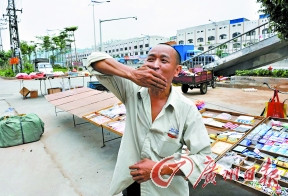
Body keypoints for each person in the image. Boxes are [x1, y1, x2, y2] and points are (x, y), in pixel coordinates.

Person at [86, 44, 212, 196]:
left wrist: (159, 168)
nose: (155, 65)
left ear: (177, 70)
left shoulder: (186, 109)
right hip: (131, 185)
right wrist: (132, 74)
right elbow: (94, 60)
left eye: (164, 61)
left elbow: (205, 160)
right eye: (150, 59)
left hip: (166, 190)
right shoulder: (132, 91)